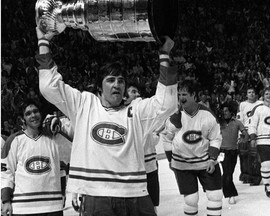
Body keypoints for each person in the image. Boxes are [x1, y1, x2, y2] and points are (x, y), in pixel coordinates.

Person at [35, 26, 178, 216]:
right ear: (99, 88)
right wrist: (43, 42)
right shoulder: (85, 104)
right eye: (111, 80)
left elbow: (166, 103)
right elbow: (48, 86)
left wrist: (164, 55)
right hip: (96, 195)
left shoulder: (135, 111)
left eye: (121, 81)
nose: (117, 84)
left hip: (135, 193)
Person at [160, 80, 223, 216]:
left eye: (185, 94)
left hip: (205, 162)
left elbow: (216, 138)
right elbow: (166, 138)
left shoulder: (207, 115)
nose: (181, 98)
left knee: (215, 196)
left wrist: (212, 159)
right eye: (179, 94)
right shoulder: (174, 115)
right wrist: (171, 160)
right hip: (183, 164)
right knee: (191, 200)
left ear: (194, 96)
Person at [1, 100, 65, 216]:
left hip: (53, 206)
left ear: (41, 114)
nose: (33, 115)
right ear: (22, 119)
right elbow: (6, 173)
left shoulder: (53, 138)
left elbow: (60, 170)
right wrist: (6, 201)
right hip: (23, 208)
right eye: (28, 113)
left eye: (35, 111)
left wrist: (63, 194)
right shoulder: (14, 140)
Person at [124, 84, 161, 214]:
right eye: (133, 91)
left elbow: (153, 141)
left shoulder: (142, 111)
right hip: (133, 169)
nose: (137, 94)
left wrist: (155, 134)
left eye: (137, 92)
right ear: (124, 94)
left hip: (150, 166)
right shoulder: (123, 115)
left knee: (152, 204)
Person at [219, 103, 249, 204]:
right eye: (223, 111)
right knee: (227, 173)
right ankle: (230, 194)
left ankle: (223, 182)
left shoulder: (237, 122)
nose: (224, 113)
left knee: (229, 173)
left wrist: (243, 140)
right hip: (222, 152)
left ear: (231, 112)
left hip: (234, 151)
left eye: (226, 111)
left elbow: (245, 134)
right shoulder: (218, 123)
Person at [237, 87, 263, 185]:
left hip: (256, 132)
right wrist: (242, 132)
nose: (251, 94)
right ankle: (245, 175)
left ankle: (256, 177)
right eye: (249, 92)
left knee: (255, 155)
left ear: (256, 94)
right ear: (246, 94)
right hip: (244, 132)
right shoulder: (242, 104)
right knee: (243, 155)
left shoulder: (260, 103)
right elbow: (239, 119)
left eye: (253, 92)